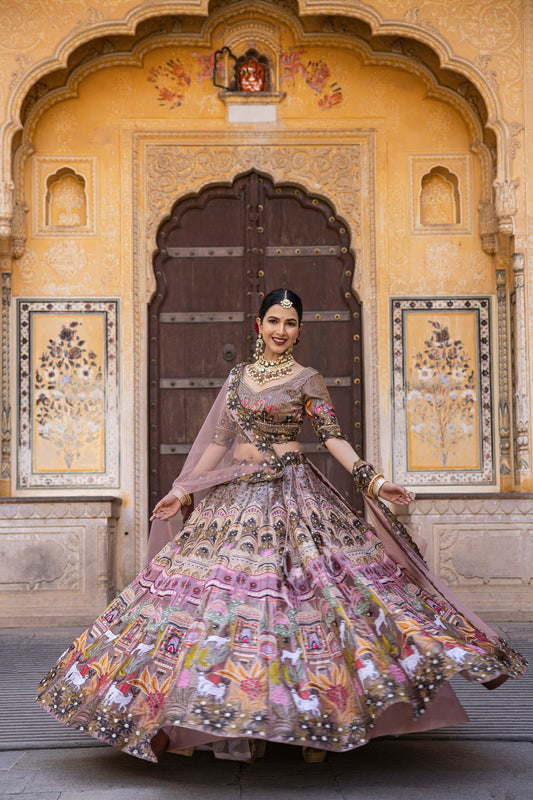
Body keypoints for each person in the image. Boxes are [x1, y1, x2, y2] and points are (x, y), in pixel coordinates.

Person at [37, 288, 526, 764]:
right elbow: (219, 441)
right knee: (223, 605)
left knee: (307, 602)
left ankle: (320, 724)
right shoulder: (238, 378)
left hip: (293, 497)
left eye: (290, 323)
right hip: (234, 501)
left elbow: (333, 439)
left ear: (299, 331)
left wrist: (375, 483)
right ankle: (220, 716)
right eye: (274, 320)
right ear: (259, 325)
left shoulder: (307, 378)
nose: (281, 330)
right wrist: (183, 490)